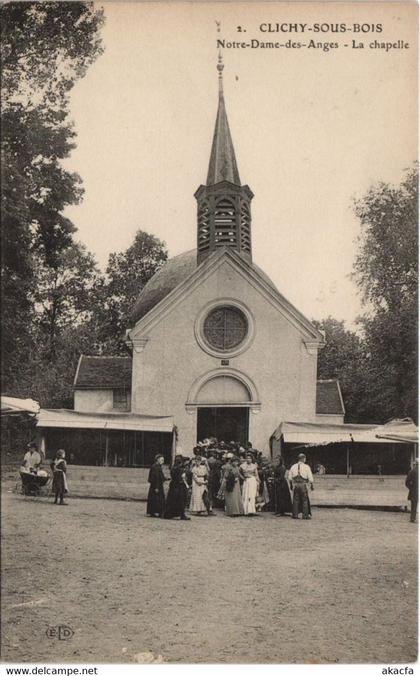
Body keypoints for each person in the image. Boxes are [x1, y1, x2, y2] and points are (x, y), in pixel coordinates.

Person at [164, 455, 190, 520]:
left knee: (172, 501)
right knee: (181, 501)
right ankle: (181, 514)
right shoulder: (179, 469)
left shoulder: (173, 468)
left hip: (173, 486)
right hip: (179, 487)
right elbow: (180, 479)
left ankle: (169, 514)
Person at [289, 452, 314, 519]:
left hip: (296, 485)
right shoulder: (306, 467)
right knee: (304, 500)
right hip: (303, 484)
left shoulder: (293, 466)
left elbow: (290, 478)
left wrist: (291, 485)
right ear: (303, 459)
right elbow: (310, 478)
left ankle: (295, 514)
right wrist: (311, 485)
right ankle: (305, 515)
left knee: (295, 500)